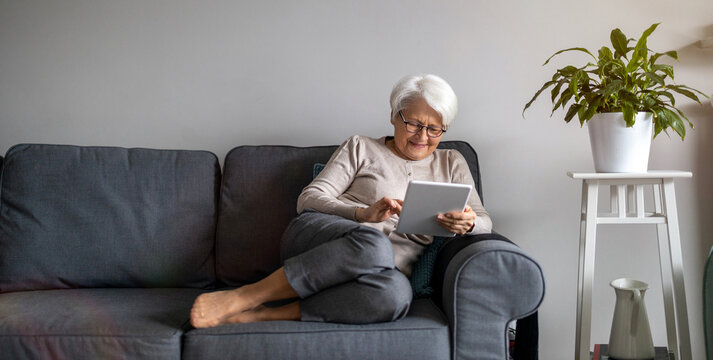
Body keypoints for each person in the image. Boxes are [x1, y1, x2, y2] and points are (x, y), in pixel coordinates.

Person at [189, 74, 492, 328]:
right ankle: (244, 297)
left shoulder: (452, 162)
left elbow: (484, 220)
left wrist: (468, 223)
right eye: (413, 123)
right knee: (375, 245)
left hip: (383, 272)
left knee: (396, 297)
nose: (422, 136)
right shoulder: (360, 147)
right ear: (393, 116)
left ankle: (263, 315)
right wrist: (362, 214)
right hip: (321, 238)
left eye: (434, 129)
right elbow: (308, 199)